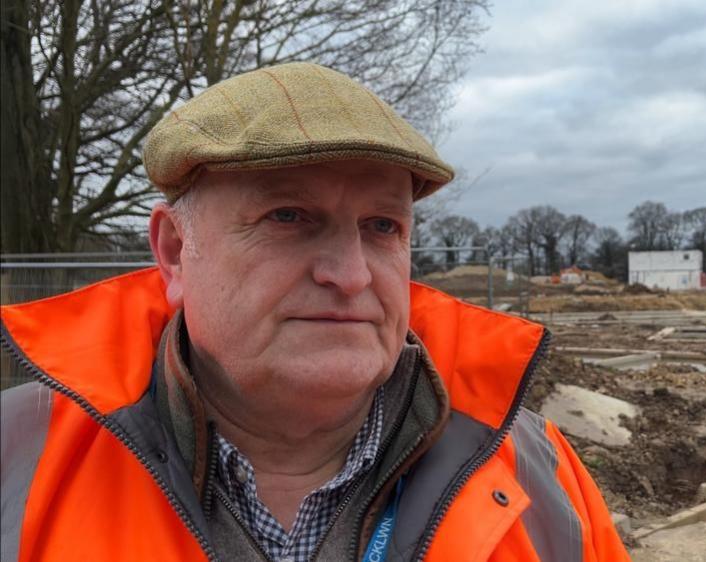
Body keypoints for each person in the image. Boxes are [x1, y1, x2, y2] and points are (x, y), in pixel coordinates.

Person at [0, 62, 629, 562]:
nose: (351, 275)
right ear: (174, 252)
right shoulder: (17, 459)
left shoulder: (535, 469)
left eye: (383, 226)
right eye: (289, 217)